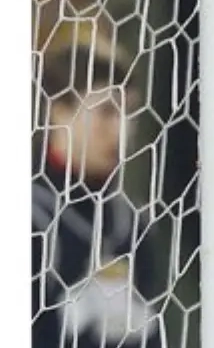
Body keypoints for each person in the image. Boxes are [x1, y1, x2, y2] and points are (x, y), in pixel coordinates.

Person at [32, 44, 163, 348]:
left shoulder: (131, 222)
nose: (122, 131)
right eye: (106, 112)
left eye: (130, 114)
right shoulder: (31, 216)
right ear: (59, 111)